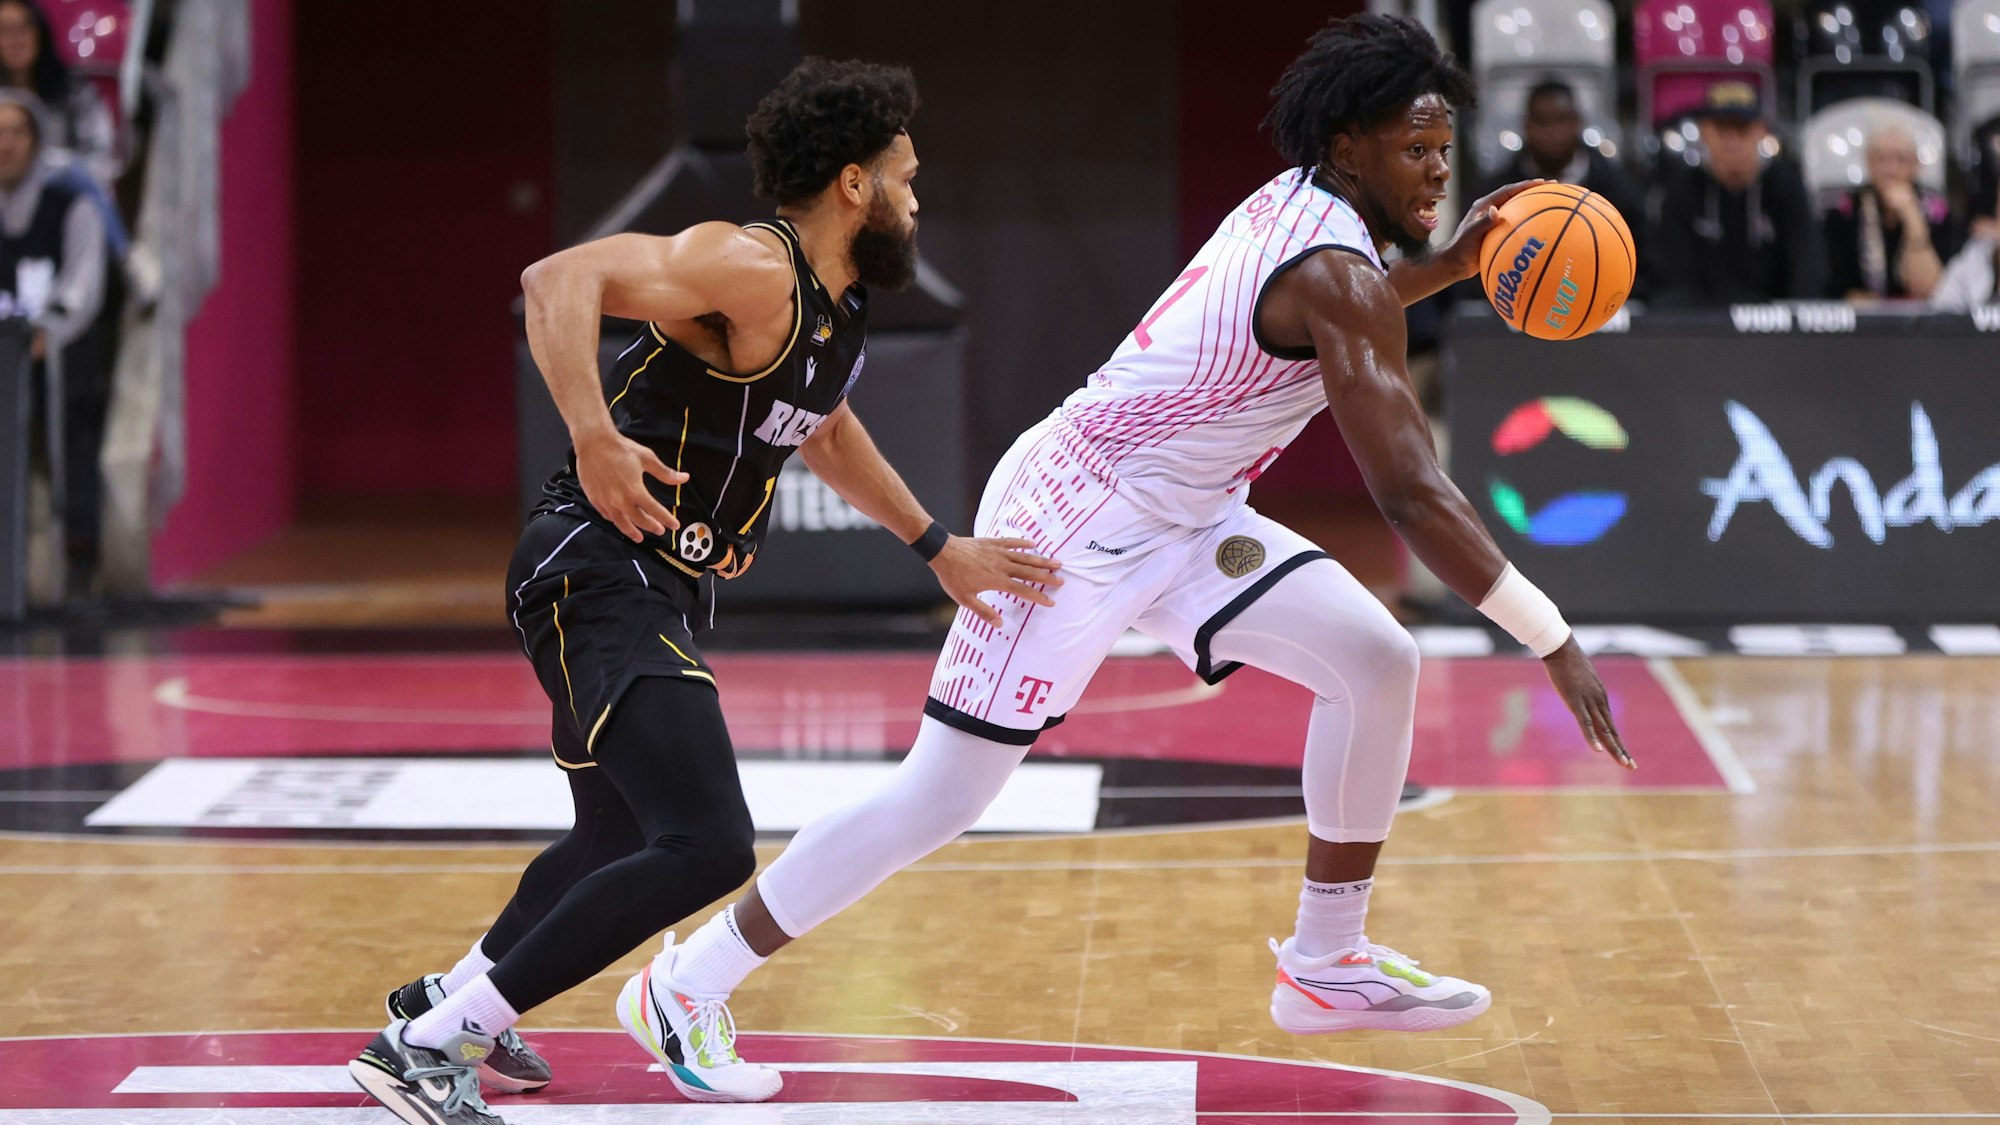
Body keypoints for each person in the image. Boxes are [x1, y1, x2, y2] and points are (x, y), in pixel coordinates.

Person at [657, 11, 1634, 1070]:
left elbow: (1344, 311)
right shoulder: (1334, 269)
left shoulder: (1310, 216)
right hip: (1070, 518)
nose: (1436, 171)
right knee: (944, 794)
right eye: (1413, 150)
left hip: (1183, 514)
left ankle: (1325, 960)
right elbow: (1407, 491)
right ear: (1347, 145)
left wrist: (1443, 268)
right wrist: (1548, 636)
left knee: (1374, 658)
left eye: (1443, 149)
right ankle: (686, 982)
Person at [346, 58, 1059, 1125]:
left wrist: (933, 545)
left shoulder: (833, 312)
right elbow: (555, 280)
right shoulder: (749, 264)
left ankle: (448, 999)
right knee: (707, 843)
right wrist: (592, 436)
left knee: (621, 836)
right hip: (595, 561)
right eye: (905, 176)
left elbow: (820, 426)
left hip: (645, 578)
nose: (918, 196)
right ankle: (426, 1046)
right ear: (855, 185)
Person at [0, 90, 106, 595]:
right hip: (4, 355)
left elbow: (82, 283)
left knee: (71, 432)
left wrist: (48, 331)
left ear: (35, 141)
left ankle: (81, 558)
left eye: (15, 132)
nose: (5, 144)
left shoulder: (71, 205)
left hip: (57, 352)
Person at [1652, 80, 1825, 305]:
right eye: (1722, 129)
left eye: (1742, 129)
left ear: (1761, 131)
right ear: (1705, 131)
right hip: (1703, 329)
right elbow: (1673, 276)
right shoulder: (1683, 191)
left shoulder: (1786, 188)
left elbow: (1809, 267)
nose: (1731, 142)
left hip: (1774, 326)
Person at [1478, 78, 1642, 258]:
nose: (1553, 132)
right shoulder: (1496, 196)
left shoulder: (1619, 190)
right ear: (1526, 126)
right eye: (1542, 122)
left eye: (1562, 120)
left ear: (1577, 122)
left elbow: (1648, 268)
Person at [1822, 124, 1957, 302]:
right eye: (1881, 159)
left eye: (1901, 160)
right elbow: (1836, 288)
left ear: (1916, 166)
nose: (1891, 169)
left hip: (1921, 322)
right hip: (1865, 322)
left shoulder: (1937, 214)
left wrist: (1912, 218)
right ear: (1869, 163)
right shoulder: (1845, 212)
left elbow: (1934, 292)